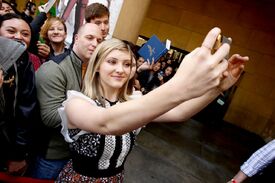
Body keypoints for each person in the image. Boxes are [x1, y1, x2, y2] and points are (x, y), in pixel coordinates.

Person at [56, 27, 249, 182]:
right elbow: (106, 123)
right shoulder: (76, 102)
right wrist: (180, 84)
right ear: (97, 66)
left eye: (127, 64)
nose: (120, 69)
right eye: (112, 62)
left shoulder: (135, 101)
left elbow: (180, 112)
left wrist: (217, 88)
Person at [31, 23, 103, 180]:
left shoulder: (94, 71)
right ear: (76, 39)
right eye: (89, 38)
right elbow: (50, 117)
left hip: (75, 155)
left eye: (99, 40)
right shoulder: (54, 68)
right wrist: (95, 114)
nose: (95, 44)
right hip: (51, 156)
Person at [0, 13, 38, 175]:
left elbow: (26, 109)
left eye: (25, 34)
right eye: (11, 31)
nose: (18, 37)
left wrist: (18, 154)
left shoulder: (24, 63)